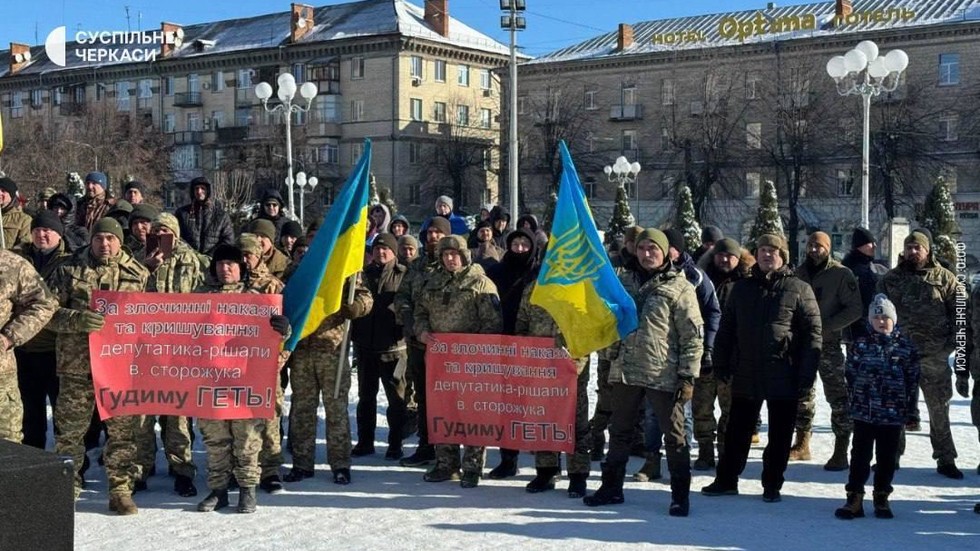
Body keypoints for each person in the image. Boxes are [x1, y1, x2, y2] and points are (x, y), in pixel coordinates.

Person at [583, 229, 703, 516]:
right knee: (620, 432)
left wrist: (688, 376)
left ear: (665, 252)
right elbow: (611, 324)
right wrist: (610, 359)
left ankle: (679, 495)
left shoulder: (679, 287)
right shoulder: (622, 282)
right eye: (642, 248)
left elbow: (692, 335)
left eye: (653, 249)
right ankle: (611, 488)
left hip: (663, 374)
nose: (647, 254)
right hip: (625, 372)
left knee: (674, 437)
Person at [702, 234, 821, 503]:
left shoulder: (799, 289)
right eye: (763, 250)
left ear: (783, 256)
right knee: (737, 431)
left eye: (774, 251)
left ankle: (772, 484)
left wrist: (806, 374)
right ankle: (726, 479)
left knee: (780, 434)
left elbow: (813, 334)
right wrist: (721, 361)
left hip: (784, 373)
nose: (768, 255)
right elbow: (727, 329)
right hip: (747, 371)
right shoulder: (742, 289)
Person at [47, 217, 150, 514]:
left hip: (120, 368)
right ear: (91, 240)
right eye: (99, 238)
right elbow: (46, 312)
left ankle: (120, 490)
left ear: (120, 241)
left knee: (122, 433)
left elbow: (154, 319)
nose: (104, 244)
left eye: (111, 239)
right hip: (77, 365)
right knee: (69, 431)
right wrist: (75, 320)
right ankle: (66, 486)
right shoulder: (68, 269)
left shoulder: (139, 273)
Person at [195, 244, 292, 514]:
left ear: (241, 268)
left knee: (247, 437)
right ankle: (218, 490)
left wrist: (283, 328)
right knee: (215, 438)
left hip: (246, 378)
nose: (225, 269)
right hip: (211, 379)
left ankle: (248, 489)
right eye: (220, 264)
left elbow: (280, 334)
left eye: (231, 264)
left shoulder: (257, 299)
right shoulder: (200, 296)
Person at [415, 235, 502, 487]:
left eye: (454, 254)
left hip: (472, 363)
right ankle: (446, 463)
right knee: (444, 409)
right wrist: (421, 331)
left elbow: (493, 324)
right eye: (445, 255)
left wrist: (475, 349)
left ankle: (472, 467)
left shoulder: (481, 283)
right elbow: (420, 312)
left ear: (464, 256)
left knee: (472, 413)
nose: (449, 259)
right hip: (441, 361)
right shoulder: (433, 283)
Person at [879, 231, 965, 479]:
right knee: (895, 410)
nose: (913, 252)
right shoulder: (890, 280)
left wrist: (949, 347)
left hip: (934, 358)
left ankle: (946, 459)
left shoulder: (945, 279)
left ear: (928, 251)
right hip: (898, 358)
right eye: (909, 247)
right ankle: (891, 457)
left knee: (939, 411)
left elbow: (960, 316)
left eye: (918, 248)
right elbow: (877, 313)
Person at [137, 213, 208, 498]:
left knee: (177, 415)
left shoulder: (195, 261)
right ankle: (141, 468)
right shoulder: (137, 260)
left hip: (180, 352)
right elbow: (124, 295)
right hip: (145, 351)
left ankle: (181, 470)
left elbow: (211, 297)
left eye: (166, 231)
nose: (161, 235)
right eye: (156, 231)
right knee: (141, 413)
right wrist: (147, 268)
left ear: (176, 234)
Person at [835, 294, 919, 520]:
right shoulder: (860, 345)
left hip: (893, 415)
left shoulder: (905, 347)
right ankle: (854, 497)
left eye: (886, 318)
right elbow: (850, 375)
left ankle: (881, 495)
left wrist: (912, 411)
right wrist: (854, 400)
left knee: (887, 458)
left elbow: (912, 381)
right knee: (860, 456)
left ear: (894, 319)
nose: (882, 321)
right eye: (877, 318)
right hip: (864, 412)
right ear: (870, 321)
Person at [283, 274, 372, 484]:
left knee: (336, 410)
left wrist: (357, 307)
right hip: (302, 350)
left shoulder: (343, 268)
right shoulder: (301, 269)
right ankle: (302, 463)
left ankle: (340, 464)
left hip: (333, 352)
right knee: (302, 409)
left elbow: (366, 298)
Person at [789, 231, 862, 470]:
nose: (813, 250)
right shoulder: (797, 274)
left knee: (838, 396)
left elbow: (854, 309)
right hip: (801, 346)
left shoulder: (841, 274)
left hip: (828, 345)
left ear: (828, 248)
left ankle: (841, 449)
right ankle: (802, 443)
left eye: (818, 246)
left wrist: (825, 327)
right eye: (810, 245)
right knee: (802, 395)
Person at [515, 280, 591, 497]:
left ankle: (578, 475)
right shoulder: (533, 287)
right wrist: (525, 350)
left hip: (572, 365)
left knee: (575, 421)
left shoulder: (582, 288)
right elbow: (522, 322)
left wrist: (576, 360)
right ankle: (546, 471)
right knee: (542, 418)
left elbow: (592, 328)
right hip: (539, 367)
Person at [394, 217, 451, 468]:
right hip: (419, 342)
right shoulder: (416, 267)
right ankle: (426, 445)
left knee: (449, 398)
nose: (433, 237)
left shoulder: (452, 264)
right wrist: (408, 317)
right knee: (424, 396)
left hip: (448, 345)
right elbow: (402, 296)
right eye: (429, 232)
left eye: (439, 233)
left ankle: (449, 450)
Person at [12, 211, 71, 449]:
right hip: (25, 349)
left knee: (63, 414)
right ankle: (35, 462)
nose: (42, 235)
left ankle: (68, 464)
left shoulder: (71, 261)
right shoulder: (18, 260)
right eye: (37, 230)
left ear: (58, 233)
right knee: (30, 413)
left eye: (47, 230)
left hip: (56, 350)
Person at [485, 229, 540, 479]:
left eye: (524, 244)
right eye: (515, 244)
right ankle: (508, 458)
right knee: (508, 404)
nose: (519, 249)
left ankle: (547, 463)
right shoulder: (496, 271)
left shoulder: (540, 274)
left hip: (535, 346)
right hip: (503, 343)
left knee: (540, 404)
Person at [236, 234, 288, 492]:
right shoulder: (230, 285)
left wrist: (279, 358)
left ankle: (270, 469)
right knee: (240, 417)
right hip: (234, 365)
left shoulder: (273, 287)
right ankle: (243, 466)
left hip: (266, 365)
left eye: (250, 255)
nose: (245, 260)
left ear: (259, 256)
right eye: (242, 255)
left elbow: (288, 329)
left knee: (270, 415)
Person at [694, 237, 753, 466]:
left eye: (730, 256)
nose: (725, 259)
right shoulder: (701, 279)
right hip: (704, 355)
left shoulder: (747, 282)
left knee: (731, 410)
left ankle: (726, 452)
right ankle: (705, 451)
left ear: (739, 258)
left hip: (734, 357)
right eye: (720, 255)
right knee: (702, 408)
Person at [350, 233, 408, 460]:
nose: (381, 253)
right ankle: (365, 441)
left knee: (396, 400)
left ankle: (395, 444)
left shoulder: (404, 275)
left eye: (386, 249)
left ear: (394, 252)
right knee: (365, 398)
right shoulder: (362, 275)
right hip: (366, 346)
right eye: (376, 249)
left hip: (394, 349)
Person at [1, 245, 58, 444]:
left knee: (8, 446)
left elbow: (44, 303)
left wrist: (9, 336)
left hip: (0, 375)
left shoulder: (10, 264)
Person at [175, 176, 235, 256]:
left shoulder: (221, 215)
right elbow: (177, 236)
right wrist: (191, 255)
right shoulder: (182, 213)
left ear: (208, 191)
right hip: (188, 261)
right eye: (196, 188)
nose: (199, 191)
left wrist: (210, 256)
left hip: (213, 262)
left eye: (203, 188)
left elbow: (228, 240)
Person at [0, 177, 32, 250]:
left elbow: (25, 243)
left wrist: (9, 256)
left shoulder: (23, 219)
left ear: (11, 195)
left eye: (3, 191)